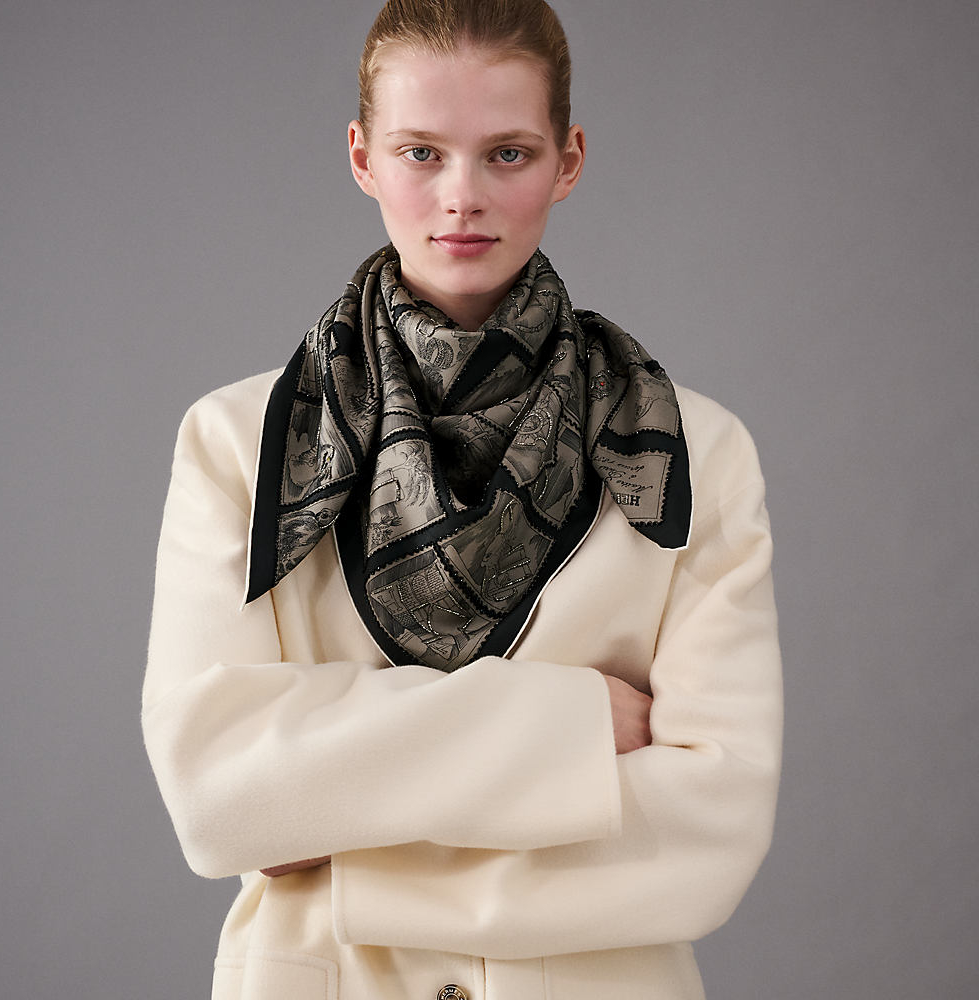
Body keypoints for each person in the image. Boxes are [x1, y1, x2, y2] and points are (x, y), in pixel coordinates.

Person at [142, 1, 783, 998]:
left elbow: (713, 828)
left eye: (508, 154)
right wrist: (573, 727)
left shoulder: (686, 450)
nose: (462, 197)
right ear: (362, 158)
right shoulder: (237, 442)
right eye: (420, 153)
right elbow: (217, 792)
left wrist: (342, 845)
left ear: (568, 161)